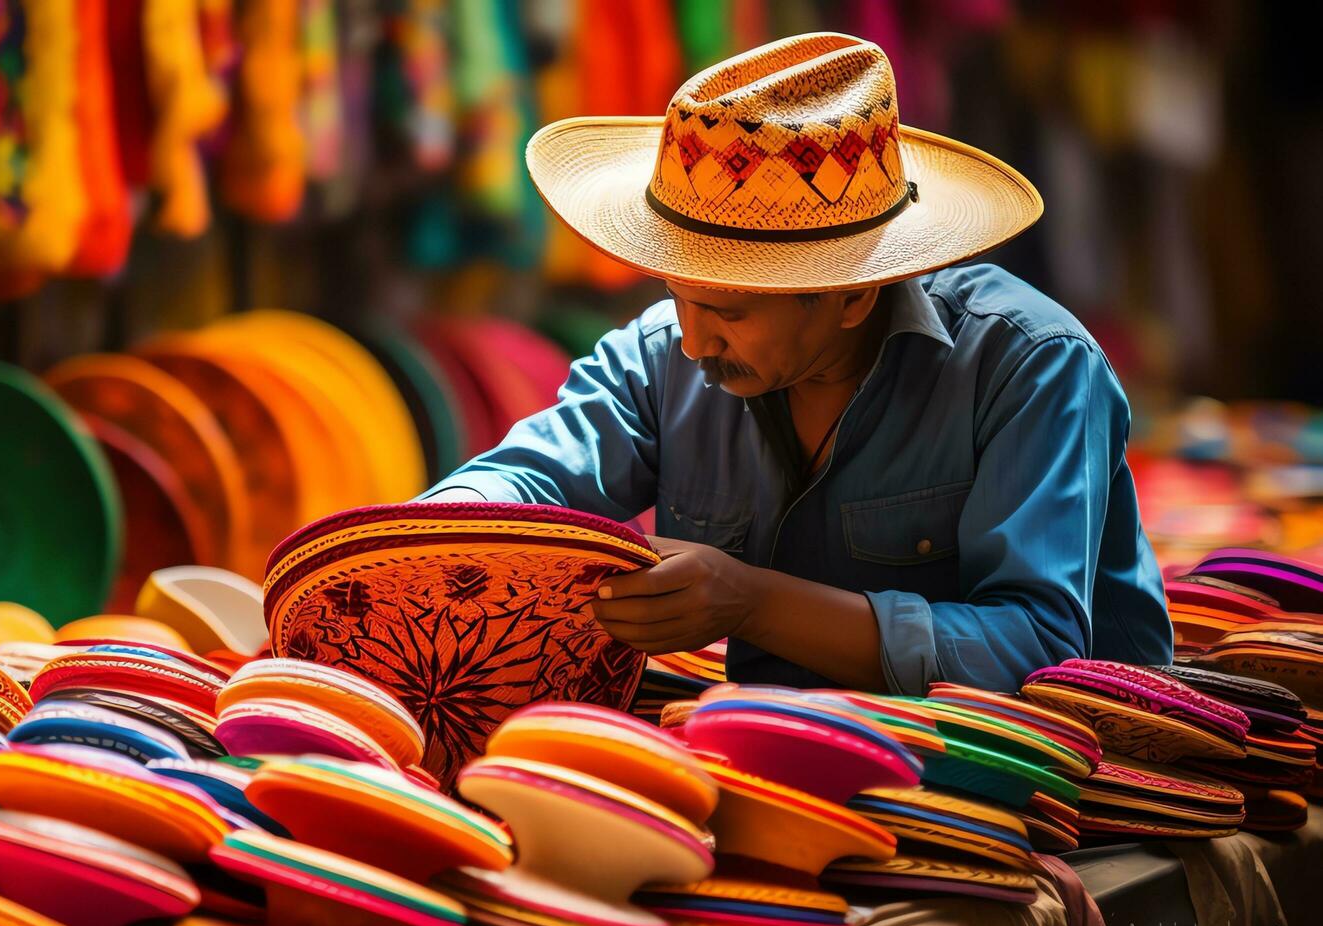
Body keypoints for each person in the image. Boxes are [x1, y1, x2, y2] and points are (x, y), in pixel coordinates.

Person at [423, 33, 1172, 693]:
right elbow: (524, 479)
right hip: (777, 765)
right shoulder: (661, 359)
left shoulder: (1028, 367)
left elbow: (1037, 647)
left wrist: (753, 602)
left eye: (729, 311)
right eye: (678, 297)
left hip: (1066, 800)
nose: (692, 342)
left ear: (851, 296)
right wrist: (415, 544)